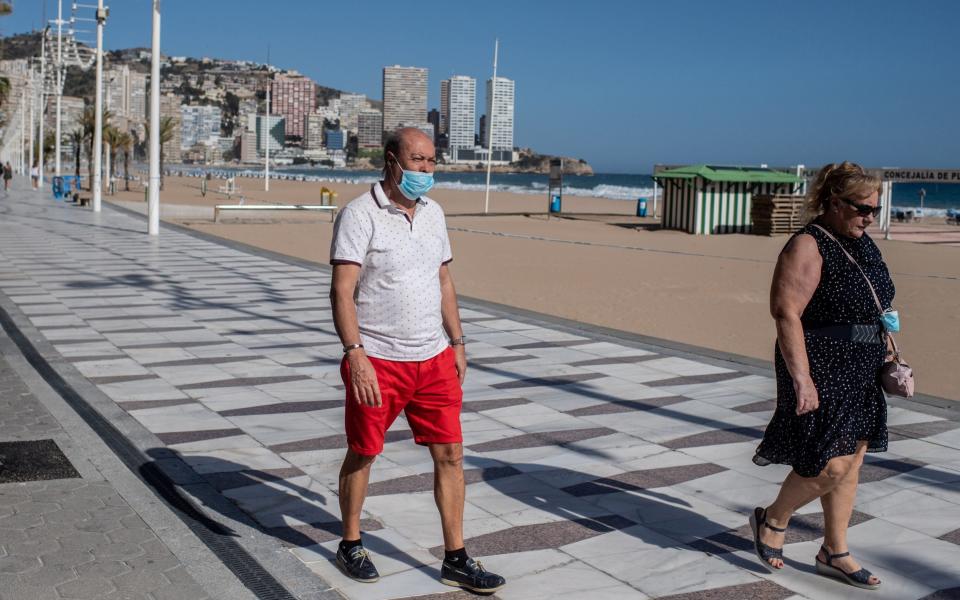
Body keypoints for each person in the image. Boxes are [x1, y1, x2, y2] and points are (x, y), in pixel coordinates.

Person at [328, 127, 506, 594]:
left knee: (450, 454)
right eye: (417, 160)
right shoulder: (359, 214)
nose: (425, 170)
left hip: (433, 358)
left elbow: (443, 280)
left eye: (431, 161)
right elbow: (342, 290)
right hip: (379, 360)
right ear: (391, 160)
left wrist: (459, 342)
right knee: (364, 452)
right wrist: (355, 353)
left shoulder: (434, 214)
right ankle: (351, 542)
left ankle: (456, 558)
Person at [751, 162, 894, 591]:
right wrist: (802, 378)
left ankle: (835, 550)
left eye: (876, 209)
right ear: (834, 202)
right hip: (821, 361)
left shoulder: (864, 244)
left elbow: (878, 306)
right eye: (863, 209)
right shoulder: (808, 245)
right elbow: (786, 313)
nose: (870, 217)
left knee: (853, 460)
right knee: (830, 462)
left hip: (863, 362)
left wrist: (887, 353)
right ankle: (773, 518)